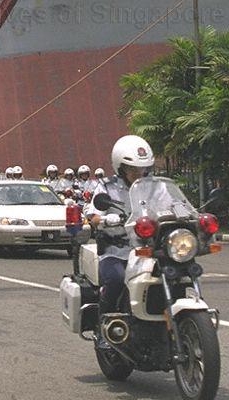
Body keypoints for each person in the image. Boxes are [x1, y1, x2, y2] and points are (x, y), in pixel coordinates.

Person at [86, 135, 155, 319]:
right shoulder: (107, 188)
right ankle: (105, 325)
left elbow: (171, 204)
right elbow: (92, 216)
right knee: (116, 280)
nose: (138, 173)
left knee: (173, 274)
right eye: (132, 169)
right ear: (121, 168)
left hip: (148, 250)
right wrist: (106, 219)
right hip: (116, 252)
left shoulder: (154, 187)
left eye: (142, 169)